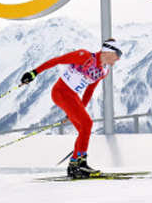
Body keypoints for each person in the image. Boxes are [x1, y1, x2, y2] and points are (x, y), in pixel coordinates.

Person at [20, 38, 122, 179]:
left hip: (72, 96)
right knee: (87, 123)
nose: (118, 59)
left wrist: (80, 110)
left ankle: (74, 165)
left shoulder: (103, 71)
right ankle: (80, 164)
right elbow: (58, 60)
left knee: (83, 127)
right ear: (108, 51)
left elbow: (89, 91)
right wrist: (34, 72)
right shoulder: (84, 56)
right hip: (60, 92)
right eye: (118, 54)